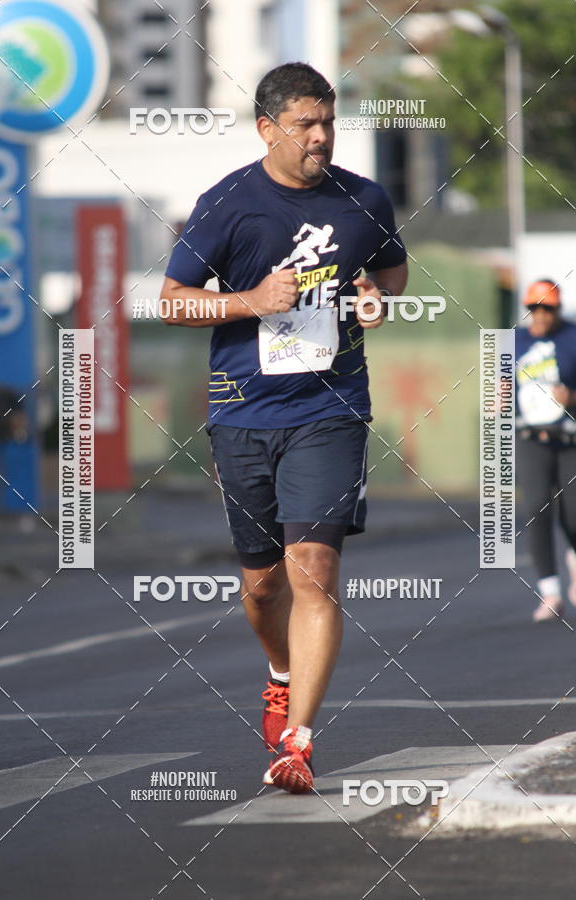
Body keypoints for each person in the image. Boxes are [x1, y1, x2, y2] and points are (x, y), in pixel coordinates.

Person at [160, 63, 408, 792]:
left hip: (331, 411)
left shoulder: (364, 200)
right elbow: (172, 302)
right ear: (267, 128)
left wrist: (375, 299)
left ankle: (296, 742)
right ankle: (278, 673)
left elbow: (392, 272)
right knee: (263, 587)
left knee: (316, 571)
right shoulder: (228, 204)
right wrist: (250, 301)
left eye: (327, 122)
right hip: (243, 410)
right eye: (305, 124)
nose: (321, 137)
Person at [516, 279, 576, 622]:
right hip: (532, 438)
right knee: (535, 509)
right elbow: (496, 388)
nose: (541, 314)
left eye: (547, 307)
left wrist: (574, 398)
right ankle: (550, 591)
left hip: (573, 439)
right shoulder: (514, 341)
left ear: (557, 309)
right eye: (535, 308)